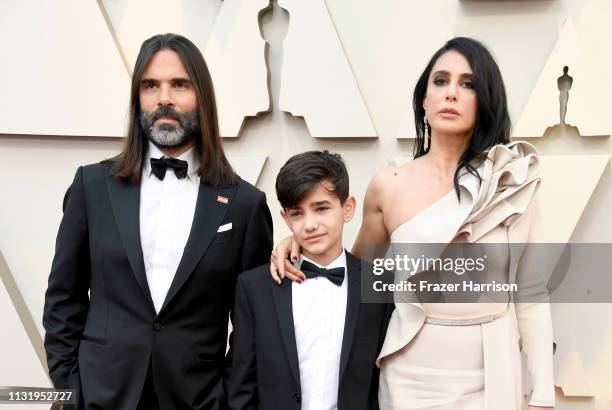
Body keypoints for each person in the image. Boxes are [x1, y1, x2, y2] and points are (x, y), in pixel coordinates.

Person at [270, 37, 554, 409]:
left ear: (485, 100)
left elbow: (531, 294)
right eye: (440, 81)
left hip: (493, 372)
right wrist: (296, 246)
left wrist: (544, 396)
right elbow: (358, 276)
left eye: (467, 84)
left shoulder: (510, 182)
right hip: (408, 375)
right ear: (424, 99)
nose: (451, 93)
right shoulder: (389, 185)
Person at [43, 33, 273, 410]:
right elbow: (63, 299)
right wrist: (72, 386)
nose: (164, 98)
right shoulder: (92, 186)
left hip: (198, 400)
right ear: (138, 98)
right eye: (151, 85)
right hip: (101, 396)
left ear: (202, 96)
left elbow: (254, 324)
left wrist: (232, 400)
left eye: (179, 84)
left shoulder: (244, 204)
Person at [227, 151, 393, 410]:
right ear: (285, 218)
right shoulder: (255, 288)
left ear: (347, 208)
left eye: (321, 208)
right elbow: (242, 384)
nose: (310, 224)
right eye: (297, 213)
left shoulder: (379, 285)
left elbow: (382, 382)